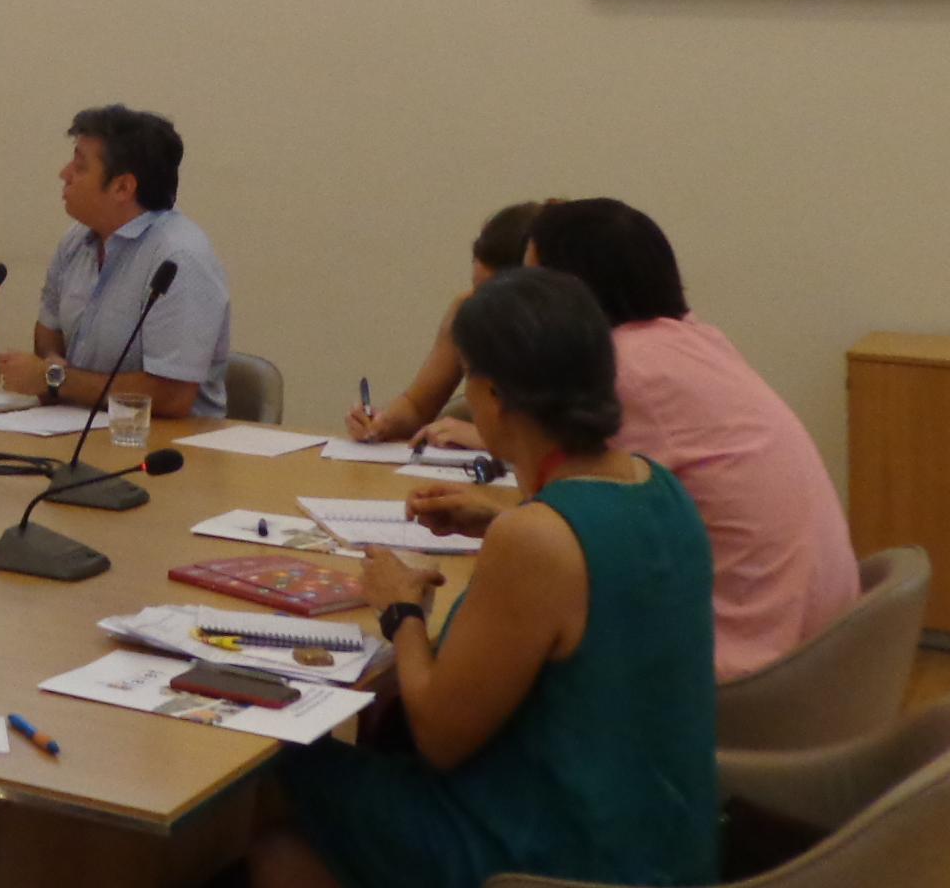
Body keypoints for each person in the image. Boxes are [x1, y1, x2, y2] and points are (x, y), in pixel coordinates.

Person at [249, 268, 718, 888]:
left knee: (280, 775)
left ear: (494, 398)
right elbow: (589, 562)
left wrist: (401, 611)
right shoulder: (656, 486)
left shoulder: (536, 539)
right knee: (295, 844)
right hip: (665, 839)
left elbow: (439, 735)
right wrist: (499, 516)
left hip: (558, 855)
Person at [483, 198, 853, 683]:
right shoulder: (692, 341)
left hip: (747, 671)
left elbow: (554, 520)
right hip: (820, 644)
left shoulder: (623, 371)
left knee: (500, 651)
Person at [0, 106, 230, 418]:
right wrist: (52, 361)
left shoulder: (179, 260)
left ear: (122, 187)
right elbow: (49, 330)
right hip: (76, 428)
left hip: (166, 447)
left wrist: (55, 379)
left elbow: (172, 396)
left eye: (80, 167)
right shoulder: (77, 240)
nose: (64, 174)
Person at [344, 201, 541, 444]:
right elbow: (417, 405)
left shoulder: (566, 329)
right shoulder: (466, 310)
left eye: (496, 294)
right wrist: (383, 422)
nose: (484, 305)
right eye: (478, 290)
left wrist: (488, 440)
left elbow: (571, 442)